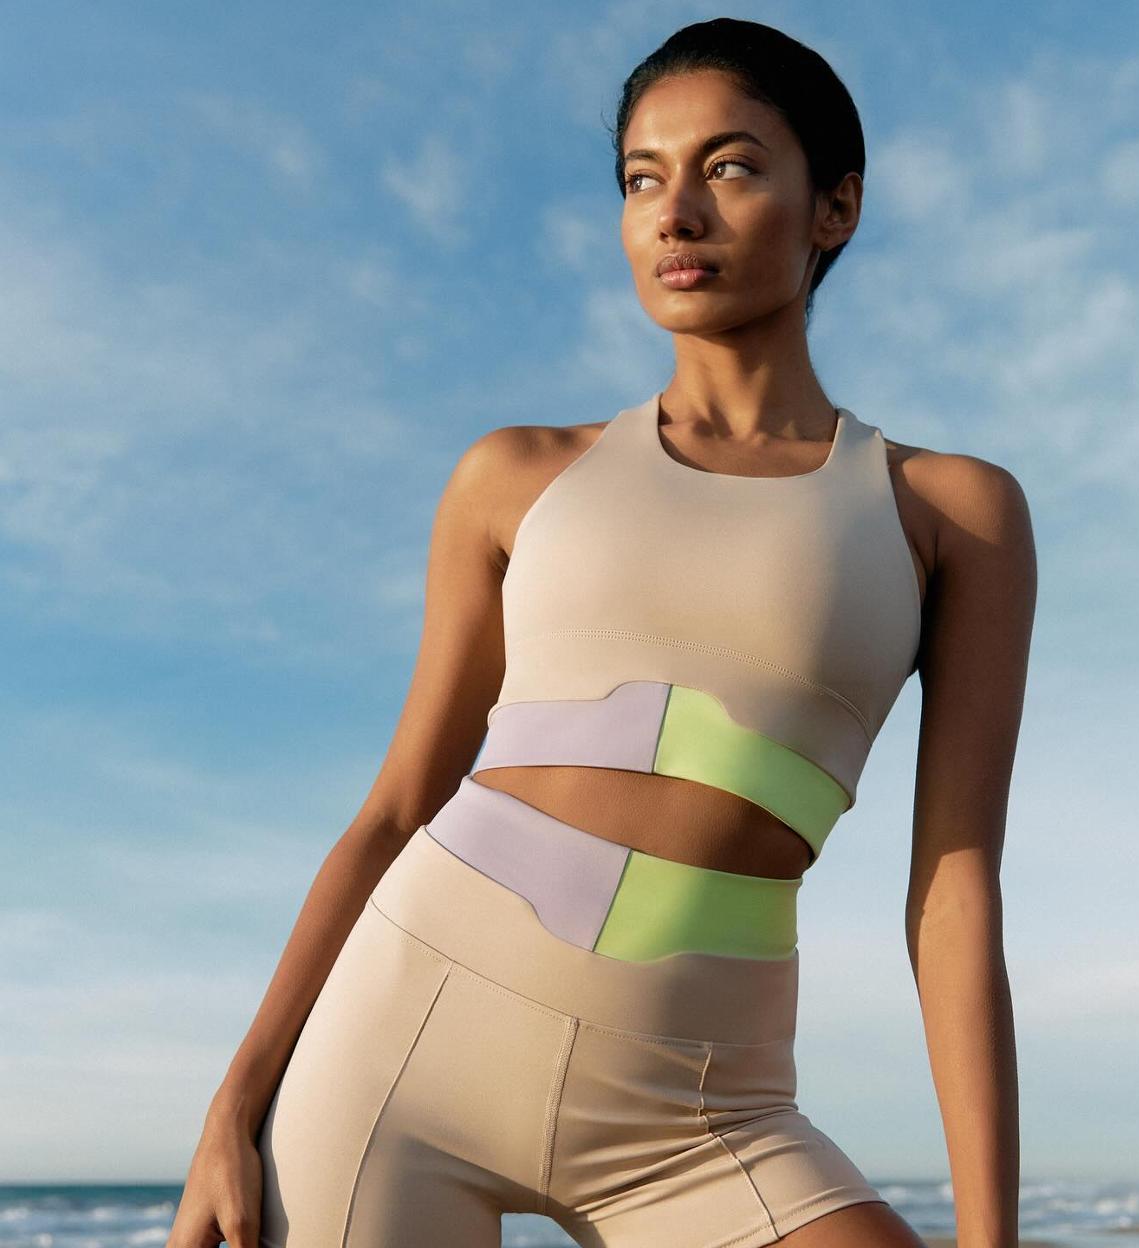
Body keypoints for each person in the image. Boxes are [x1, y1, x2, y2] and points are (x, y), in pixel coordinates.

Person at [169, 17, 1036, 1248]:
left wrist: (990, 1238)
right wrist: (230, 1105)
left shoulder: (951, 511)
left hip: (708, 1105)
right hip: (401, 1050)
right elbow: (396, 804)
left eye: (729, 167)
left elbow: (953, 890)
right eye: (643, 178)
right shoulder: (516, 477)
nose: (675, 212)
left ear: (834, 205)